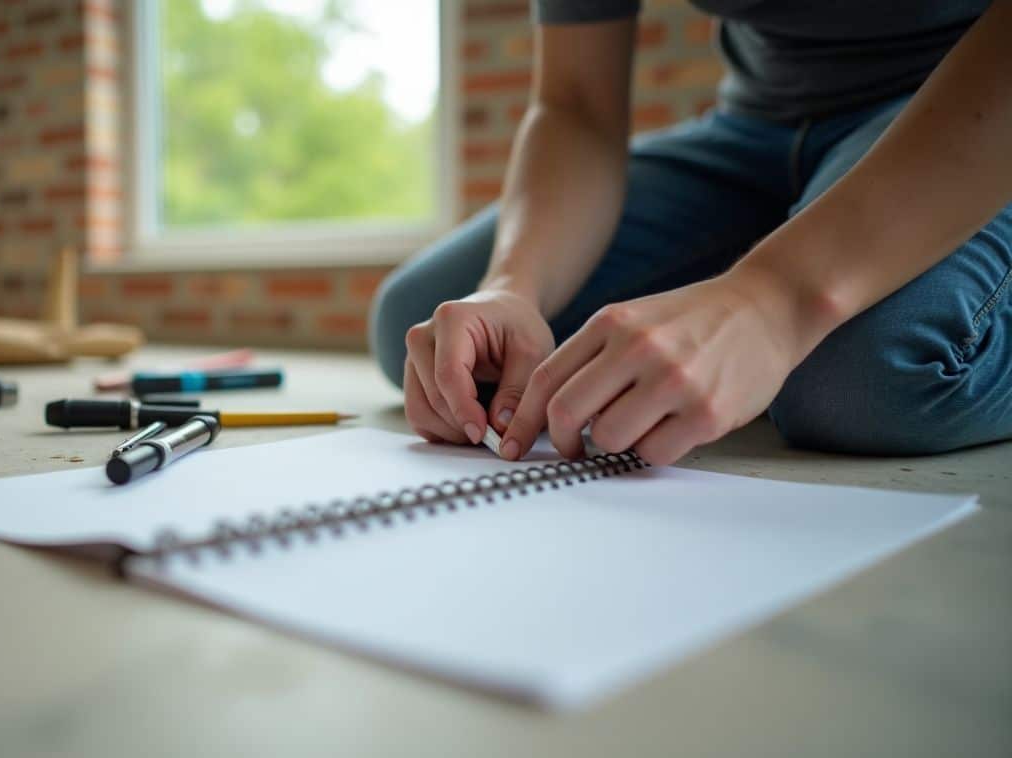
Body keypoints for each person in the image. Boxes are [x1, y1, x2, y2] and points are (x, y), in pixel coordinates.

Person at [370, 0, 1012, 464]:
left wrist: (772, 299)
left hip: (963, 115)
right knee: (438, 326)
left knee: (862, 384)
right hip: (750, 129)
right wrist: (513, 285)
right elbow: (576, 105)